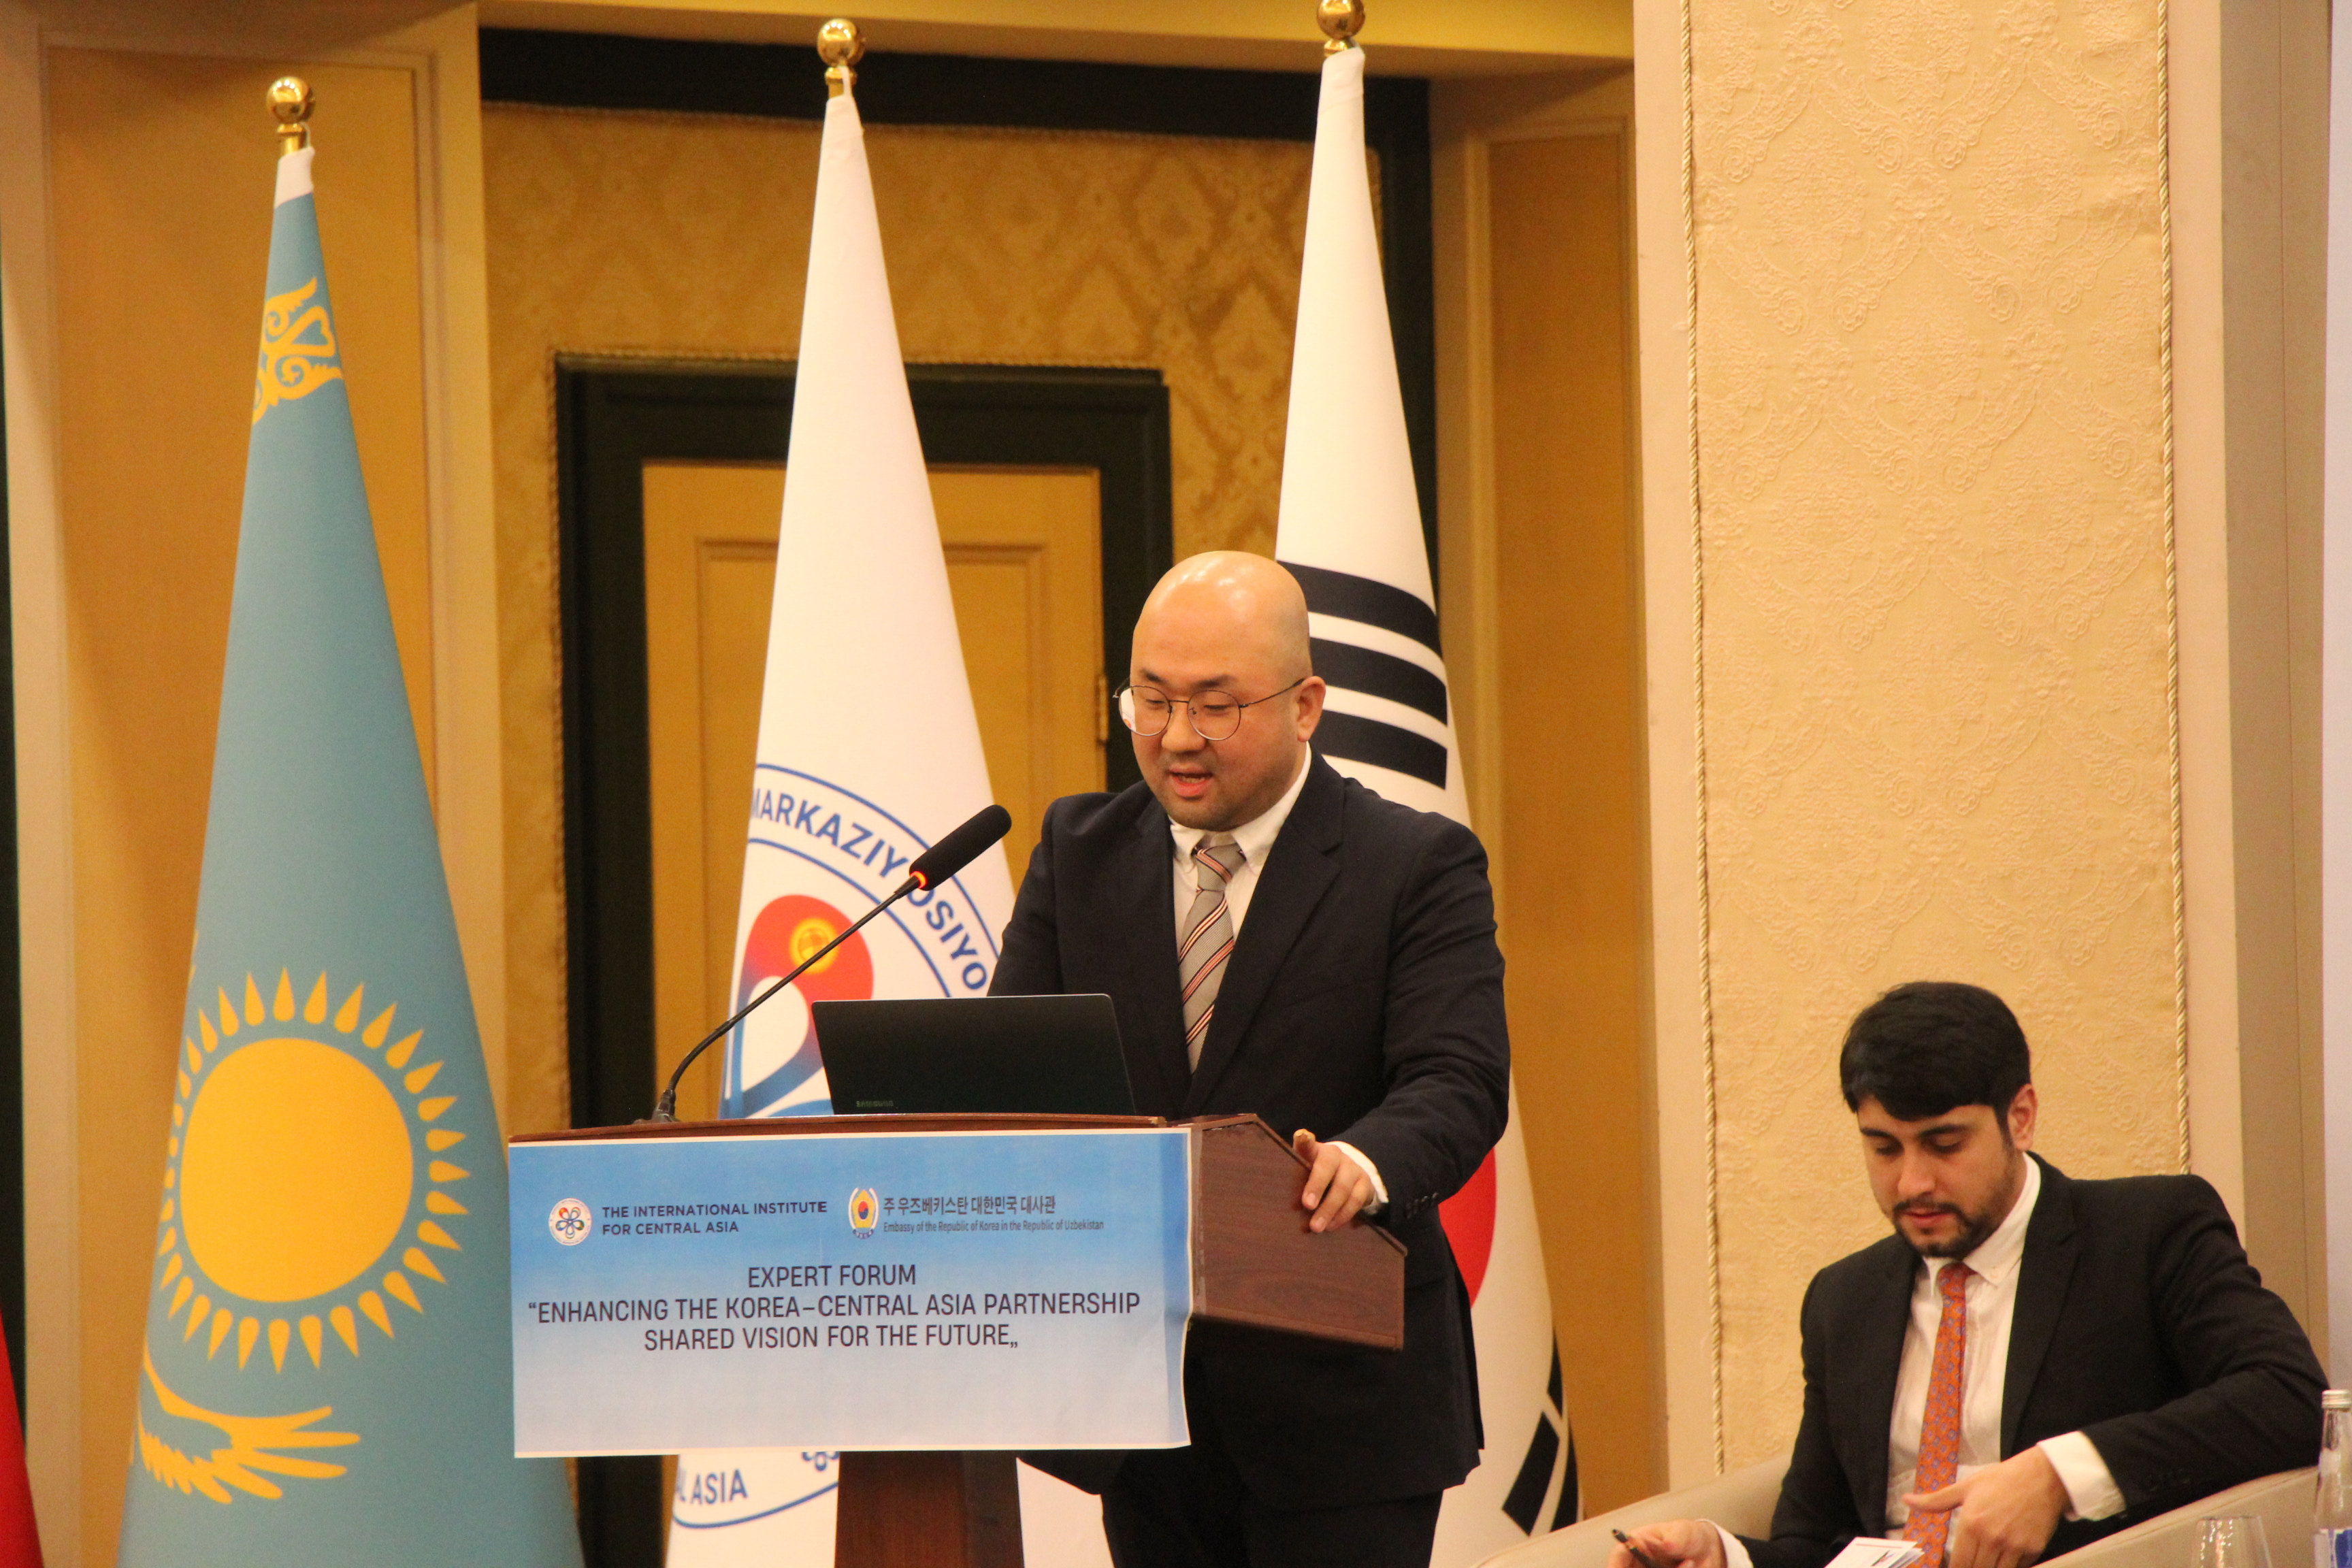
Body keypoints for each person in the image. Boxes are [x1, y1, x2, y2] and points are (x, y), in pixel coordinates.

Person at [992, 551, 1510, 1568]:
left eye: (1216, 707)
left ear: (1306, 704)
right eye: (1151, 700)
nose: (1178, 737)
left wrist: (1364, 1163)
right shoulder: (1079, 850)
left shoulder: (1413, 864)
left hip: (1342, 1405)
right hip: (1145, 1399)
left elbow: (1457, 1080)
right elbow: (1011, 1071)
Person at [1613, 982, 2323, 1568]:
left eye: (1944, 1144)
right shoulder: (1844, 1300)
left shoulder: (2145, 1233)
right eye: (1884, 1149)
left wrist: (2058, 1476)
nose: (1912, 1182)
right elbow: (1815, 1540)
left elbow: (2291, 1399)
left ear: (2021, 1117)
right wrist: (1726, 1555)